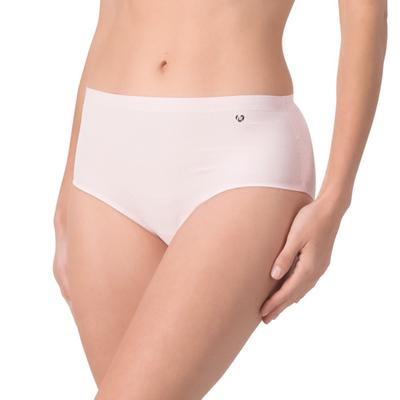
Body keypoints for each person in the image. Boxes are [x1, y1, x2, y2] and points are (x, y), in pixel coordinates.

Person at [52, 1, 387, 398]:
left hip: (240, 153)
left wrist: (336, 199)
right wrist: (71, 177)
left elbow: (365, 12)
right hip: (105, 152)